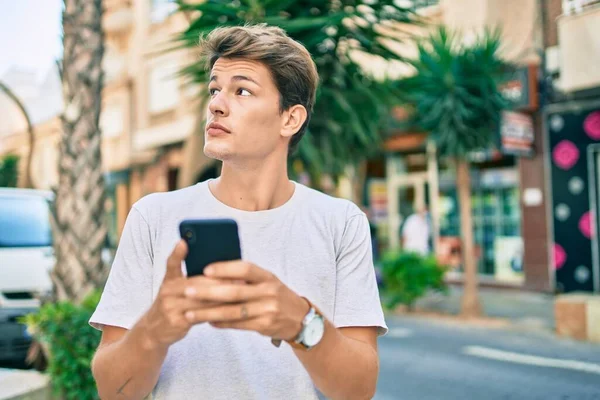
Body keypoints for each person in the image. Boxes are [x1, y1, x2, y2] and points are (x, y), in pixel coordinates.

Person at [89, 24, 387, 400]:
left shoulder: (341, 223)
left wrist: (300, 322)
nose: (216, 103)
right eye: (215, 89)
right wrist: (156, 328)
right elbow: (113, 391)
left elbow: (358, 391)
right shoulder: (153, 216)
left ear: (290, 119)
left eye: (242, 90)